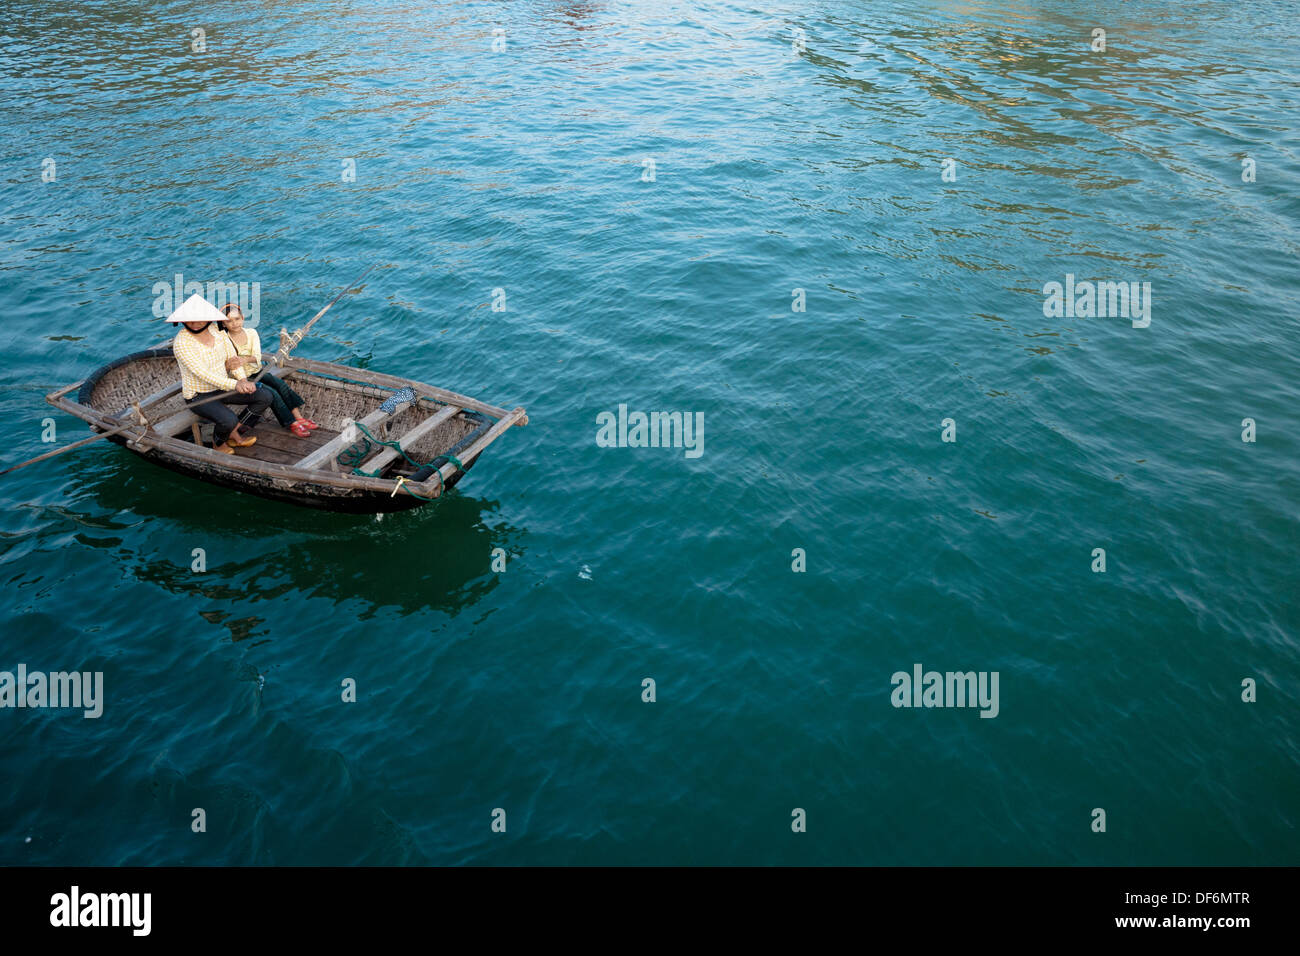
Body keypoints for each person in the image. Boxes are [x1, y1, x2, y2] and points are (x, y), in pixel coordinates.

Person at [168, 297, 271, 455]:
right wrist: (235, 385)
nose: (195, 324)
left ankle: (234, 432)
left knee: (264, 396)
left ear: (209, 319)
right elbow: (204, 374)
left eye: (200, 319)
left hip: (222, 387)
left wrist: (242, 379)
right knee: (228, 419)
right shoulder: (182, 343)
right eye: (190, 320)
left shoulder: (217, 331)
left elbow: (233, 359)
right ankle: (218, 443)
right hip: (198, 395)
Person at [219, 303, 319, 438]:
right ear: (223, 324)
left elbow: (257, 357)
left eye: (237, 319)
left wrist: (244, 360)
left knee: (280, 384)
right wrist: (240, 364)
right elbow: (232, 365)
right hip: (240, 378)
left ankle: (298, 417)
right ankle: (291, 423)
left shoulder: (251, 333)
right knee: (272, 393)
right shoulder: (224, 339)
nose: (234, 323)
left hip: (257, 371)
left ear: (242, 318)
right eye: (229, 321)